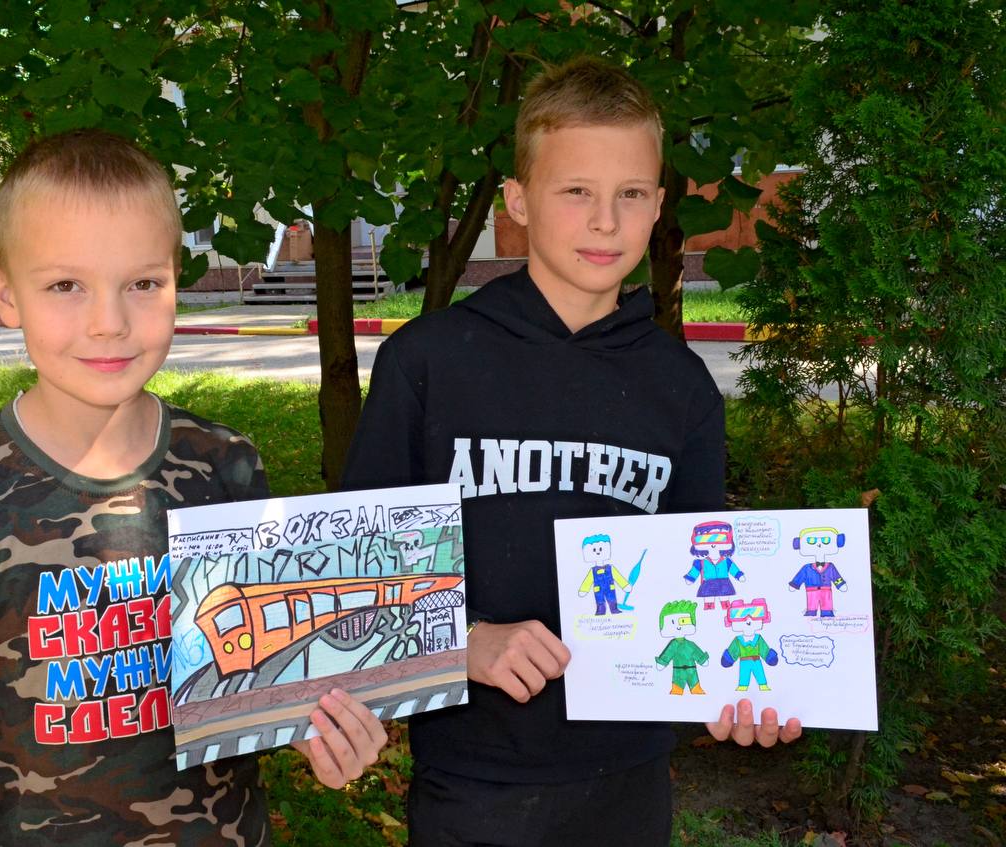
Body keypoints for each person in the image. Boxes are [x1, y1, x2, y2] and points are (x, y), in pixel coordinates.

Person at [0, 129, 386, 846]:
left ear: (176, 280)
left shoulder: (227, 465)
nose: (109, 323)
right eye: (65, 285)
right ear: (6, 293)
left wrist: (321, 732)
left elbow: (264, 677)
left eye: (142, 283)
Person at [341, 56, 800, 846]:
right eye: (576, 191)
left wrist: (740, 691)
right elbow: (358, 582)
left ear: (659, 205)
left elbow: (708, 592)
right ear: (518, 200)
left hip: (628, 783)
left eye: (631, 194)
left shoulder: (682, 388)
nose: (605, 222)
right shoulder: (429, 362)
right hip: (472, 779)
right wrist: (467, 639)